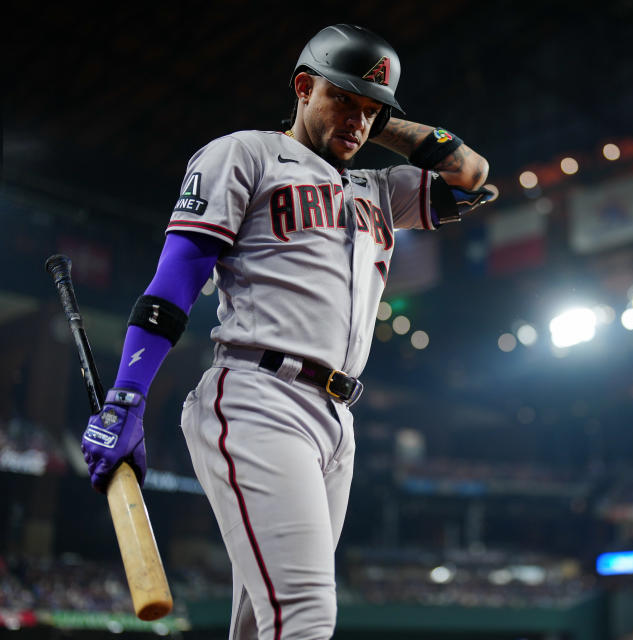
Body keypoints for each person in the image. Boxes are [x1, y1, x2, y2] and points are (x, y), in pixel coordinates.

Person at [79, 24, 491, 639]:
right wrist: (127, 395)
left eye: (371, 111)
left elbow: (473, 176)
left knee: (263, 618)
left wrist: (379, 119)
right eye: (343, 100)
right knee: (304, 612)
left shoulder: (375, 189)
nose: (357, 121)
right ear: (303, 86)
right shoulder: (243, 153)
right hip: (258, 397)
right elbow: (175, 281)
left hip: (336, 420)